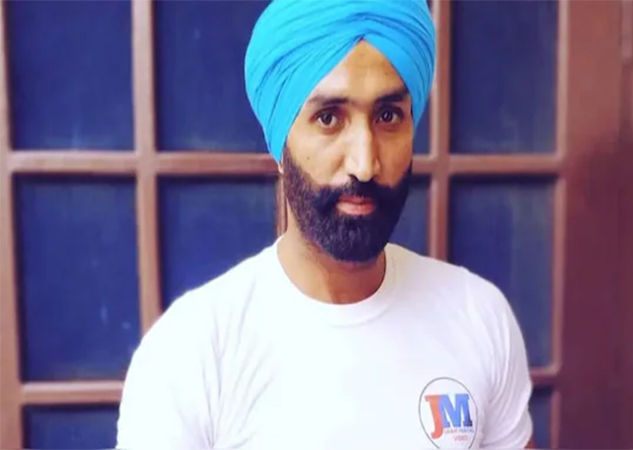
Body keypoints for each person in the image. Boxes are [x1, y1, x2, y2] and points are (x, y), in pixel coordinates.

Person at [116, 0, 533, 448]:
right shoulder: (191, 351)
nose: (364, 164)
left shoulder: (478, 316)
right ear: (281, 145)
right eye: (329, 118)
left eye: (388, 116)